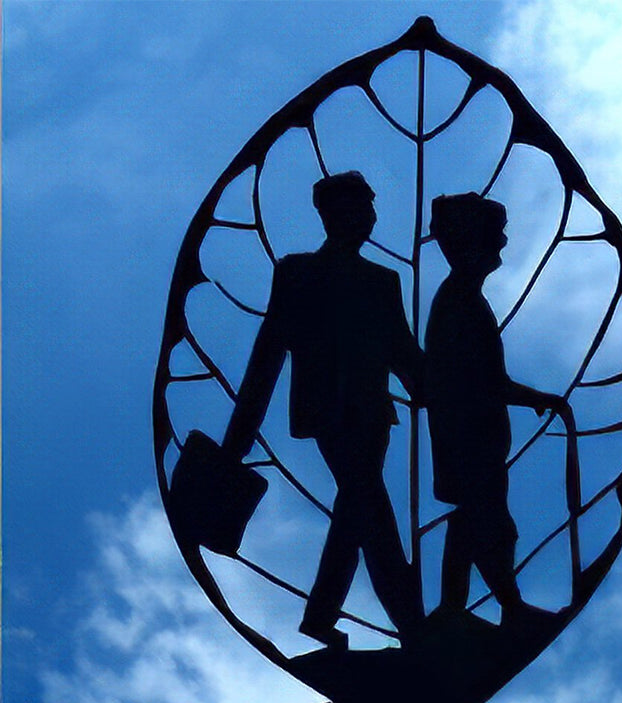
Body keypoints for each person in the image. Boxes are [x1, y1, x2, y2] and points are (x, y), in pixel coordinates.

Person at [223, 172, 424, 648]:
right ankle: (409, 628)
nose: (366, 219)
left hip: (375, 414)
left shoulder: (384, 281)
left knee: (365, 512)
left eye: (370, 210)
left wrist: (445, 385)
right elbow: (268, 356)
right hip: (328, 411)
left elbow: (404, 353)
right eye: (356, 209)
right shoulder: (297, 272)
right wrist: (237, 442)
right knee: (367, 508)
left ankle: (362, 622)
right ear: (330, 215)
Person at [425, 192, 570, 622]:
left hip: (479, 437)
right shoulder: (458, 304)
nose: (504, 243)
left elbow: (488, 381)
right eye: (496, 235)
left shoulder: (467, 300)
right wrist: (538, 399)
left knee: (476, 524)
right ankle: (502, 606)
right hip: (468, 437)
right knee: (487, 525)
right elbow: (481, 381)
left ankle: (460, 609)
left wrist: (536, 400)